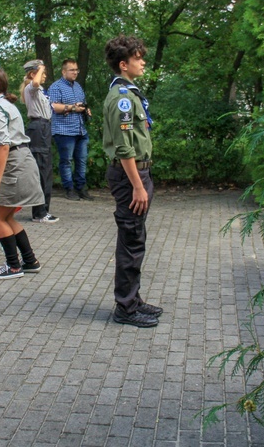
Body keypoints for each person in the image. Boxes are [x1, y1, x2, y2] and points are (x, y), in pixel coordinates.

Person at [102, 35, 163, 327]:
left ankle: (133, 298)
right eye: (138, 58)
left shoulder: (130, 94)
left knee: (135, 237)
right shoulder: (122, 99)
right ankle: (125, 308)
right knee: (131, 241)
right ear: (123, 64)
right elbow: (124, 147)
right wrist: (138, 185)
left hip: (137, 174)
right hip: (131, 176)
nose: (143, 62)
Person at [0, 68, 44, 280]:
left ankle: (14, 266)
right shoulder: (4, 104)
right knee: (6, 215)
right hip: (21, 160)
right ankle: (30, 261)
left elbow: (4, 146)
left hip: (15, 163)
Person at [47, 58, 93, 201]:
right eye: (72, 70)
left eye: (76, 70)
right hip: (64, 130)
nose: (75, 72)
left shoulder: (78, 87)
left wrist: (86, 110)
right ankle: (69, 189)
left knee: (82, 160)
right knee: (66, 161)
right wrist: (73, 107)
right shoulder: (56, 87)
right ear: (63, 71)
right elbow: (53, 106)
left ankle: (81, 188)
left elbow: (81, 104)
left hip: (80, 129)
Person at [20, 59, 58, 224]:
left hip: (44, 128)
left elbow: (51, 108)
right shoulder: (31, 88)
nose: (44, 76)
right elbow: (35, 82)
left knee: (46, 171)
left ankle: (43, 210)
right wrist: (41, 67)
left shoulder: (40, 92)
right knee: (42, 171)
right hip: (39, 128)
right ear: (33, 73)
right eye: (42, 72)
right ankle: (39, 213)